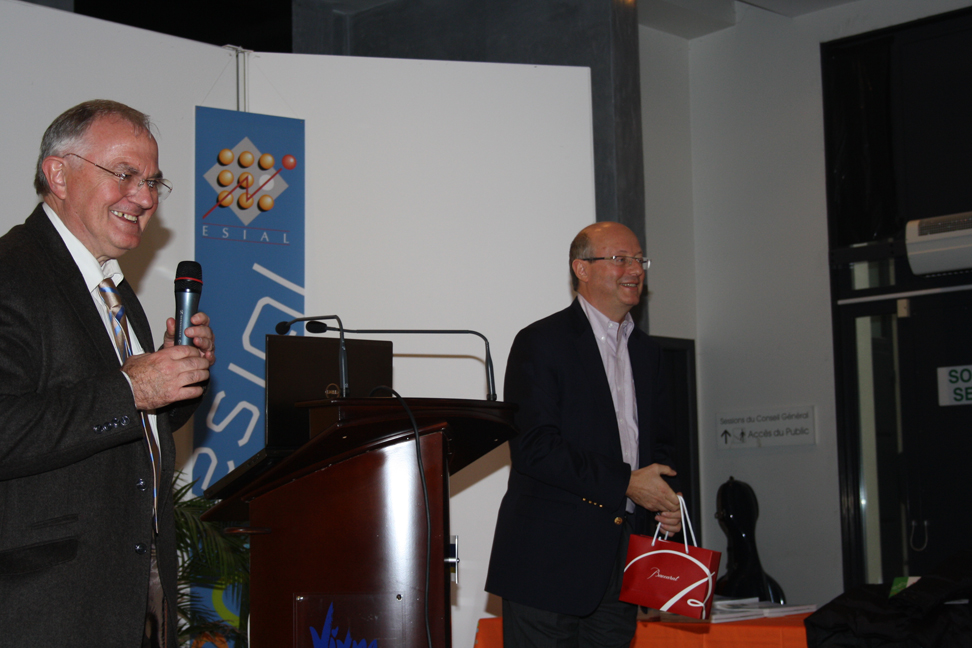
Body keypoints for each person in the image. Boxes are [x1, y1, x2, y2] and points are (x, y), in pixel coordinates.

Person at [0, 100, 215, 647]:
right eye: (125, 174)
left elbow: (126, 424)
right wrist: (133, 387)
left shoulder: (111, 287)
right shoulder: (12, 272)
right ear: (58, 175)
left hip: (129, 591)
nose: (144, 198)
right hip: (46, 608)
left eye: (152, 182)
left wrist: (174, 376)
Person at [486, 221, 682, 647]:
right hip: (547, 562)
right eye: (620, 259)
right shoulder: (541, 341)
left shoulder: (648, 353)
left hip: (622, 562)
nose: (635, 270)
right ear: (582, 268)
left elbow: (660, 446)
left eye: (639, 260)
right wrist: (628, 483)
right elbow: (535, 447)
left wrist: (666, 498)